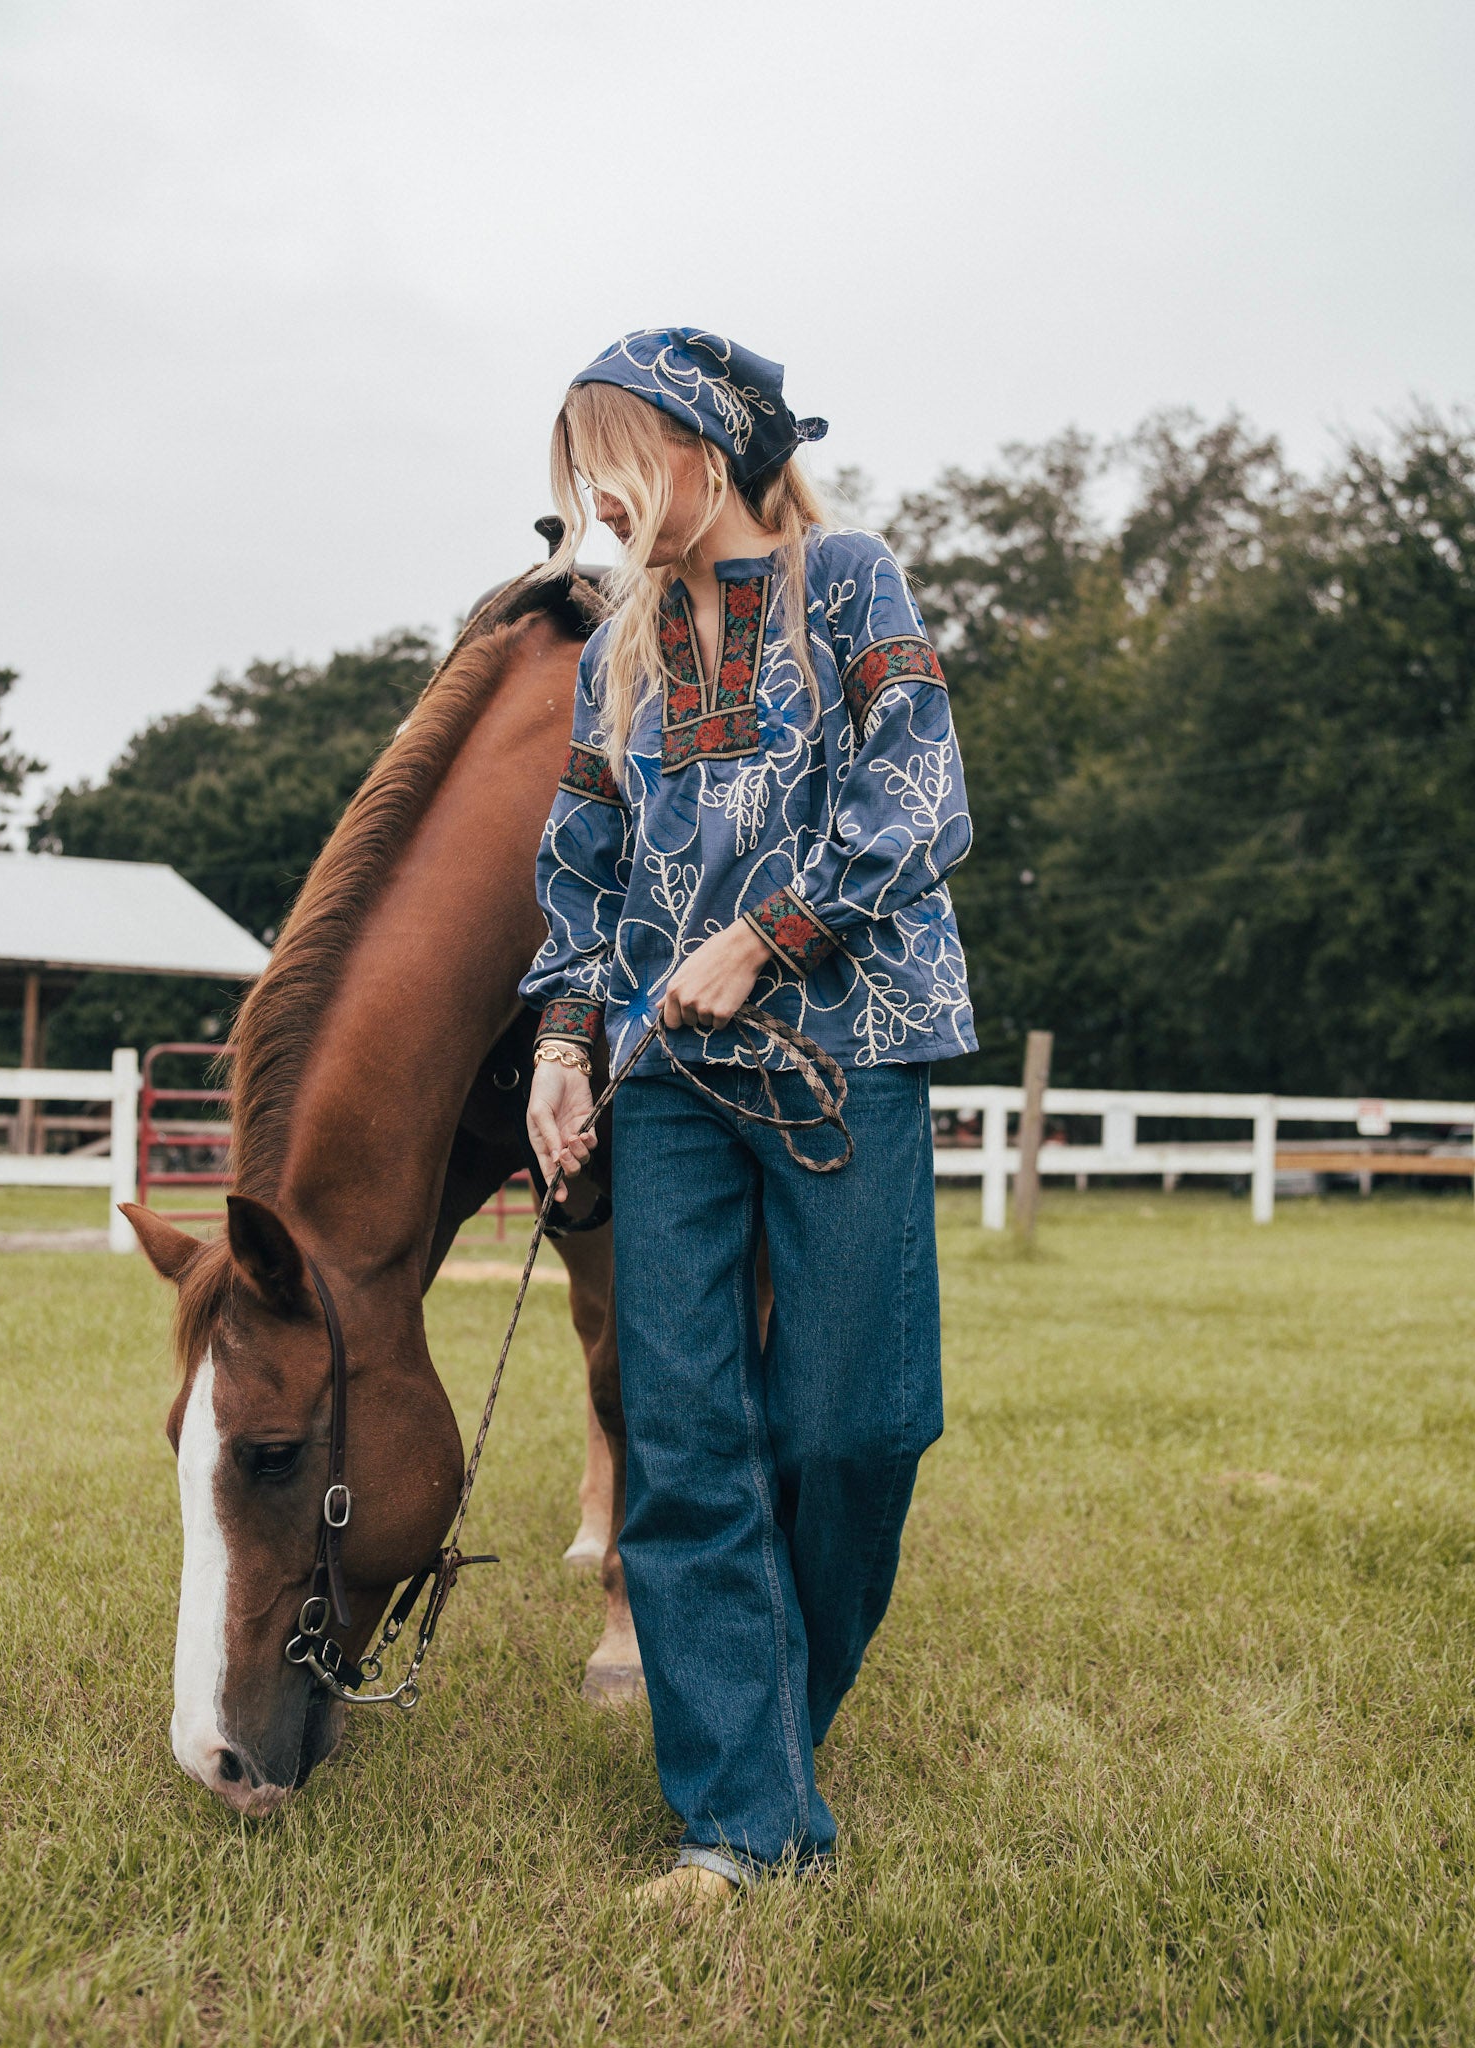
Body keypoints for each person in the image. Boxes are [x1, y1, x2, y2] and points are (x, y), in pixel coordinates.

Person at [521, 329, 975, 1901]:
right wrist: (565, 1045)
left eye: (614, 456)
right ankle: (745, 1822)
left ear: (708, 452)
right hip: (665, 1090)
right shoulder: (611, 651)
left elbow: (922, 800)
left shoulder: (847, 580)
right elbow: (579, 875)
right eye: (574, 468)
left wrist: (765, 936)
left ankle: (771, 1721)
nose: (593, 494)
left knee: (855, 1424)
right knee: (686, 1447)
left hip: (846, 1050)